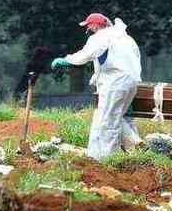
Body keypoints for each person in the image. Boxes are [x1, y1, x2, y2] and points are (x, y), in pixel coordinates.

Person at [51, 13, 142, 160]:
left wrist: (67, 60)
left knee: (107, 122)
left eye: (89, 25)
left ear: (95, 25)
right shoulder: (125, 37)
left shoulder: (100, 37)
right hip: (130, 83)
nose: (88, 29)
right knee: (115, 117)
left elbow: (86, 54)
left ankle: (106, 159)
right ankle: (134, 148)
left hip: (114, 84)